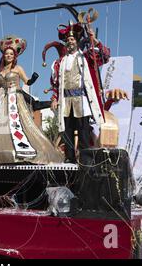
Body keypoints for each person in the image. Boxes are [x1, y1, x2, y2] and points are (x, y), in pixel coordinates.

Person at [0, 35, 64, 166]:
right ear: (3, 56)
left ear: (14, 56)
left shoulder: (18, 68)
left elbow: (27, 80)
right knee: (1, 126)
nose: (9, 56)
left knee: (21, 125)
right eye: (7, 54)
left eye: (11, 54)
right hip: (5, 100)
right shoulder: (1, 71)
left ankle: (27, 151)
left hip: (16, 99)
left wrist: (33, 79)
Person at [45, 22, 111, 163]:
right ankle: (70, 158)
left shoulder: (86, 57)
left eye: (72, 39)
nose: (70, 42)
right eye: (68, 40)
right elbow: (56, 84)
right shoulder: (59, 63)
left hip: (81, 99)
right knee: (67, 131)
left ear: (77, 41)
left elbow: (105, 56)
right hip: (66, 101)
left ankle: (86, 159)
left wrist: (95, 40)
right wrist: (54, 98)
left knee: (83, 131)